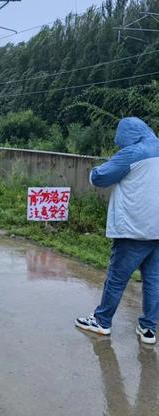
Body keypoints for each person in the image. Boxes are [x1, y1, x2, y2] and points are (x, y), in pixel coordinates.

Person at [76, 117, 159, 345]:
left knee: (117, 278)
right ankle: (148, 329)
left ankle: (102, 321)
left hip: (134, 228)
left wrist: (94, 170)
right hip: (157, 230)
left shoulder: (132, 153)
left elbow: (100, 177)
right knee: (153, 280)